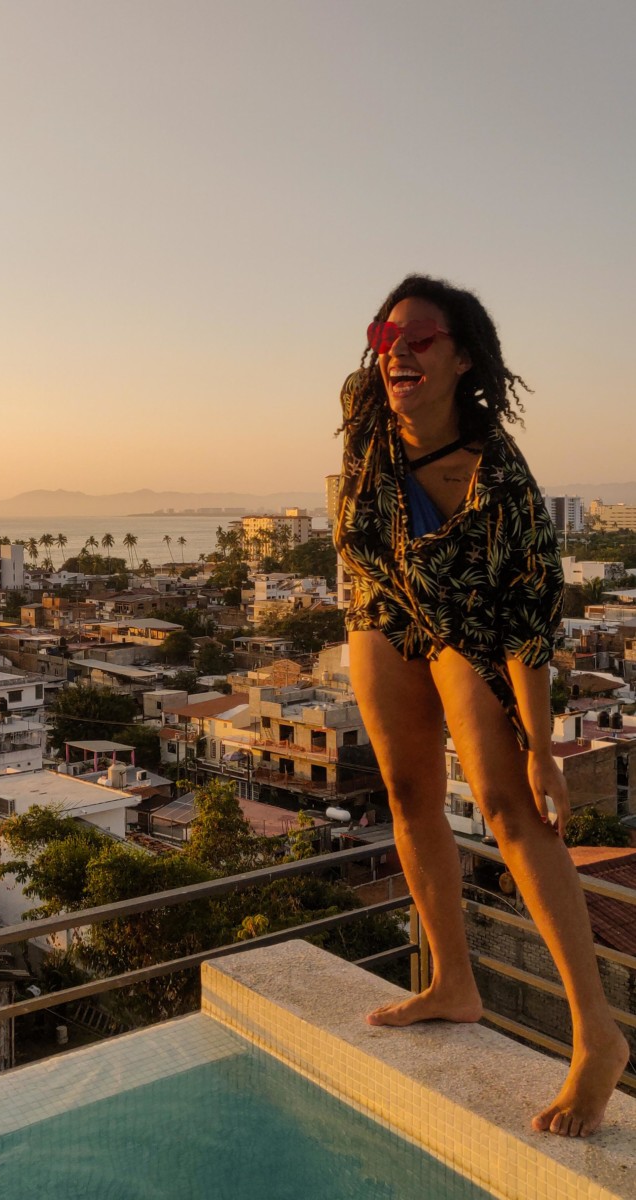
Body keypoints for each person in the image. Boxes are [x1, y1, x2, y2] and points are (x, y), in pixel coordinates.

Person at [333, 274, 629, 1138]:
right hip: (383, 599)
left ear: (464, 357)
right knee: (406, 794)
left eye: (419, 340)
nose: (397, 354)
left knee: (507, 805)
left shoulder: (502, 483)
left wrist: (541, 745)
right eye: (385, 338)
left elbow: (532, 624)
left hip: (476, 623)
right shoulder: (364, 408)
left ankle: (597, 1035)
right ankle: (452, 982)